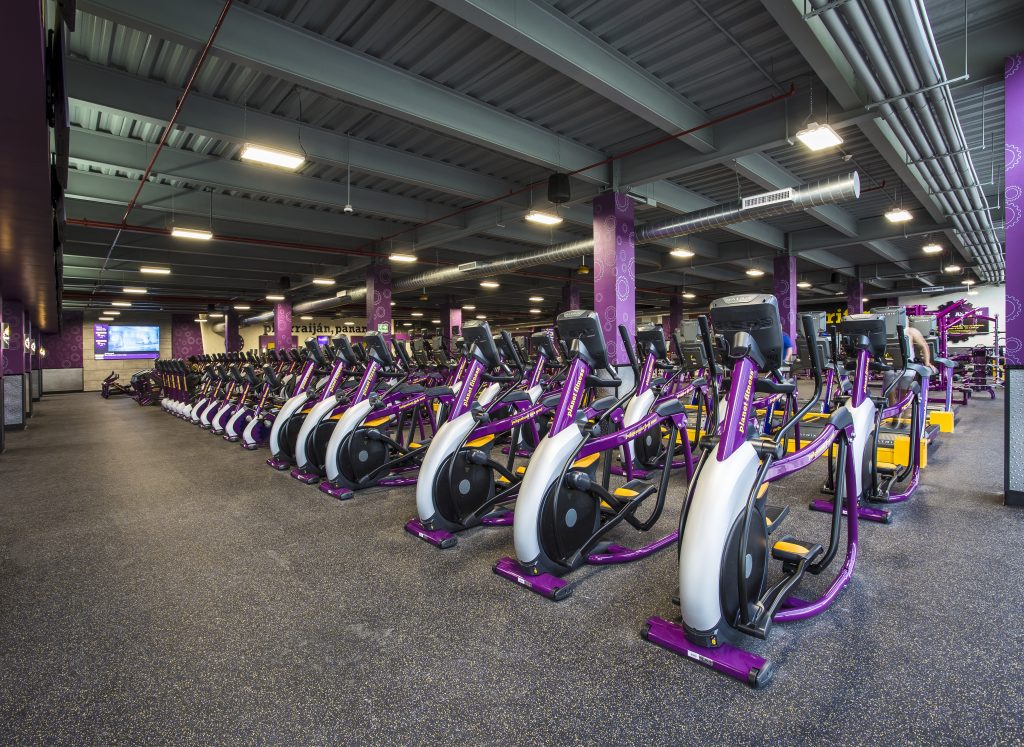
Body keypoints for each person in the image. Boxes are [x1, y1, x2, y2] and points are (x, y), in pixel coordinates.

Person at [885, 326, 938, 410]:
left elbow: (924, 346)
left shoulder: (911, 331)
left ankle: (904, 411)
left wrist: (927, 362)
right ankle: (892, 411)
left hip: (908, 367)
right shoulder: (886, 331)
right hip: (891, 367)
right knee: (889, 385)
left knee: (904, 393)